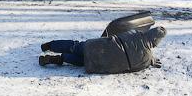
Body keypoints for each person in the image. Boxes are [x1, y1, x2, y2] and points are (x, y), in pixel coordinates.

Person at [39, 26, 167, 74]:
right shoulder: (147, 59)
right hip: (104, 64)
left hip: (98, 47)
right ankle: (57, 59)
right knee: (84, 61)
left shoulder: (135, 34)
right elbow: (133, 68)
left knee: (76, 46)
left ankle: (49, 46)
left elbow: (119, 33)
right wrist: (149, 61)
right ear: (156, 42)